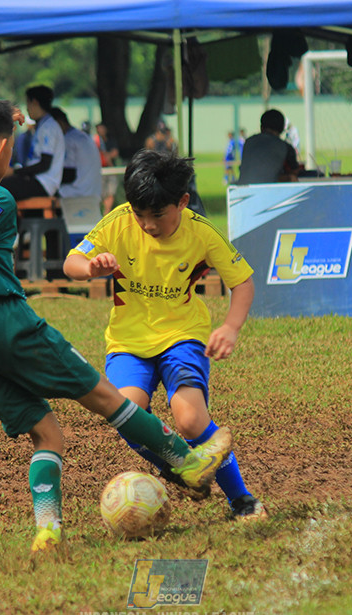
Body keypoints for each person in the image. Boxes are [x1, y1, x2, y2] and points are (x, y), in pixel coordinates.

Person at [0, 96, 233, 555]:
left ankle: (48, 531)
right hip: (6, 321)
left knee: (47, 434)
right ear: (2, 146)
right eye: (11, 143)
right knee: (104, 396)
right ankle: (189, 463)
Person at [63, 149, 265, 520]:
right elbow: (70, 263)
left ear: (182, 201)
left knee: (189, 421)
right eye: (139, 214)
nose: (147, 224)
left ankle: (242, 500)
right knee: (127, 413)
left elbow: (244, 283)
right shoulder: (119, 221)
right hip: (127, 343)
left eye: (157, 215)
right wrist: (91, 267)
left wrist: (230, 327)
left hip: (182, 336)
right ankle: (182, 470)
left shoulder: (201, 232)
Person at [0, 85, 64, 201]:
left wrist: (15, 172)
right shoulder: (42, 126)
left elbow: (45, 164)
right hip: (36, 180)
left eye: (27, 103)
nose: (27, 109)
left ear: (34, 102)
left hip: (44, 183)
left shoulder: (49, 127)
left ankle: (11, 219)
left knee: (0, 188)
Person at [50, 107, 103, 243]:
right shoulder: (82, 136)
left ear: (59, 123)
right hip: (91, 194)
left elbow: (68, 174)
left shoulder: (68, 140)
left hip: (75, 196)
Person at [236, 109, 300, 185]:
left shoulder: (248, 142)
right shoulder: (285, 147)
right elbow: (295, 171)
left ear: (261, 126)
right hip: (268, 192)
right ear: (282, 128)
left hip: (241, 191)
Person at [94, 121, 120, 214]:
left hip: (111, 169)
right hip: (101, 170)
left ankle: (107, 213)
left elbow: (115, 152)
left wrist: (108, 156)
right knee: (101, 193)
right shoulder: (95, 141)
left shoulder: (111, 140)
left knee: (110, 192)